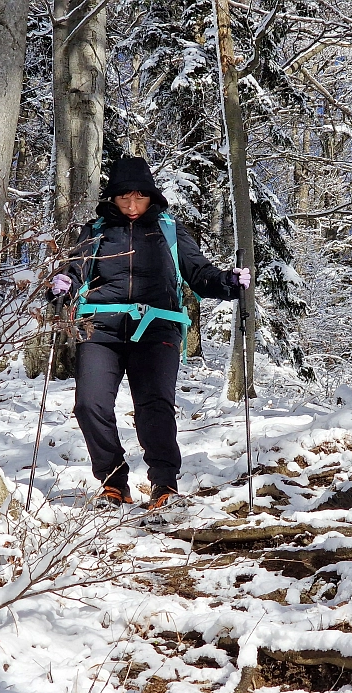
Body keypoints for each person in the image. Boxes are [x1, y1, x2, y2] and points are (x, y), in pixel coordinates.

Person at [50, 156, 250, 509]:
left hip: (157, 327)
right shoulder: (95, 232)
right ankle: (113, 483)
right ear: (112, 198)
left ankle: (164, 484)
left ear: (151, 198)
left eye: (139, 198)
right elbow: (75, 271)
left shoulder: (169, 230)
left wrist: (228, 282)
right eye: (124, 197)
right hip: (100, 328)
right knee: (88, 405)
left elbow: (199, 273)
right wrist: (63, 285)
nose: (131, 205)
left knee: (154, 406)